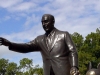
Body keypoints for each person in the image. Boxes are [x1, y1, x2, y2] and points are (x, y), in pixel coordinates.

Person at [0, 14, 79, 75]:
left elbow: (72, 51)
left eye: (46, 21)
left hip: (63, 71)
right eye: (42, 22)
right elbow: (26, 47)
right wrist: (10, 44)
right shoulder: (39, 39)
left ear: (53, 22)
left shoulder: (63, 35)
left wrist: (74, 66)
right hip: (47, 72)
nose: (44, 24)